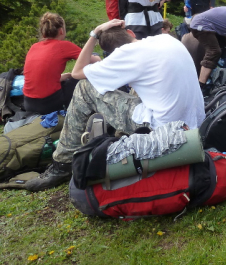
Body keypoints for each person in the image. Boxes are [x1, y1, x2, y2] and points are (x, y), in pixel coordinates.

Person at [25, 19, 205, 191]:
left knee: (84, 87)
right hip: (195, 122)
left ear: (111, 52)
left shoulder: (124, 55)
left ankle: (62, 165)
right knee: (138, 89)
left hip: (163, 129)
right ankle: (119, 134)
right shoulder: (165, 38)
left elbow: (77, 72)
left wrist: (94, 33)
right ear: (130, 32)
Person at [23, 13, 101, 116]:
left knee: (70, 77)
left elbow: (39, 76)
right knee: (87, 66)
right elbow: (94, 61)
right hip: (49, 104)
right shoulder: (63, 46)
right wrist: (98, 57)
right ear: (61, 30)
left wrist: (61, 77)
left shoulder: (34, 47)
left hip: (28, 103)